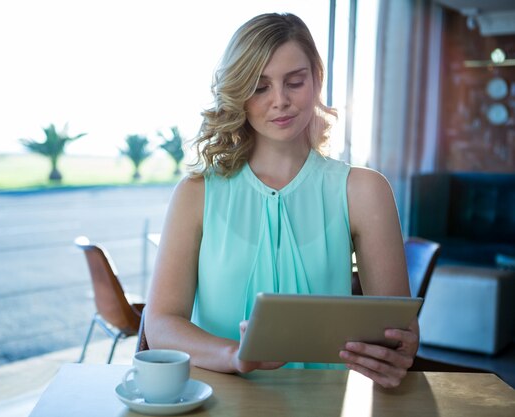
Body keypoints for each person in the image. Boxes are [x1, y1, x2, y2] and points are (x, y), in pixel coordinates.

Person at [145, 12, 419, 389]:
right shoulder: (195, 194)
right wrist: (234, 356)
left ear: (317, 80)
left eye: (294, 82)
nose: (280, 101)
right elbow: (160, 324)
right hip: (216, 406)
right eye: (259, 87)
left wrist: (398, 352)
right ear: (238, 92)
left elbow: (400, 332)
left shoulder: (365, 191)